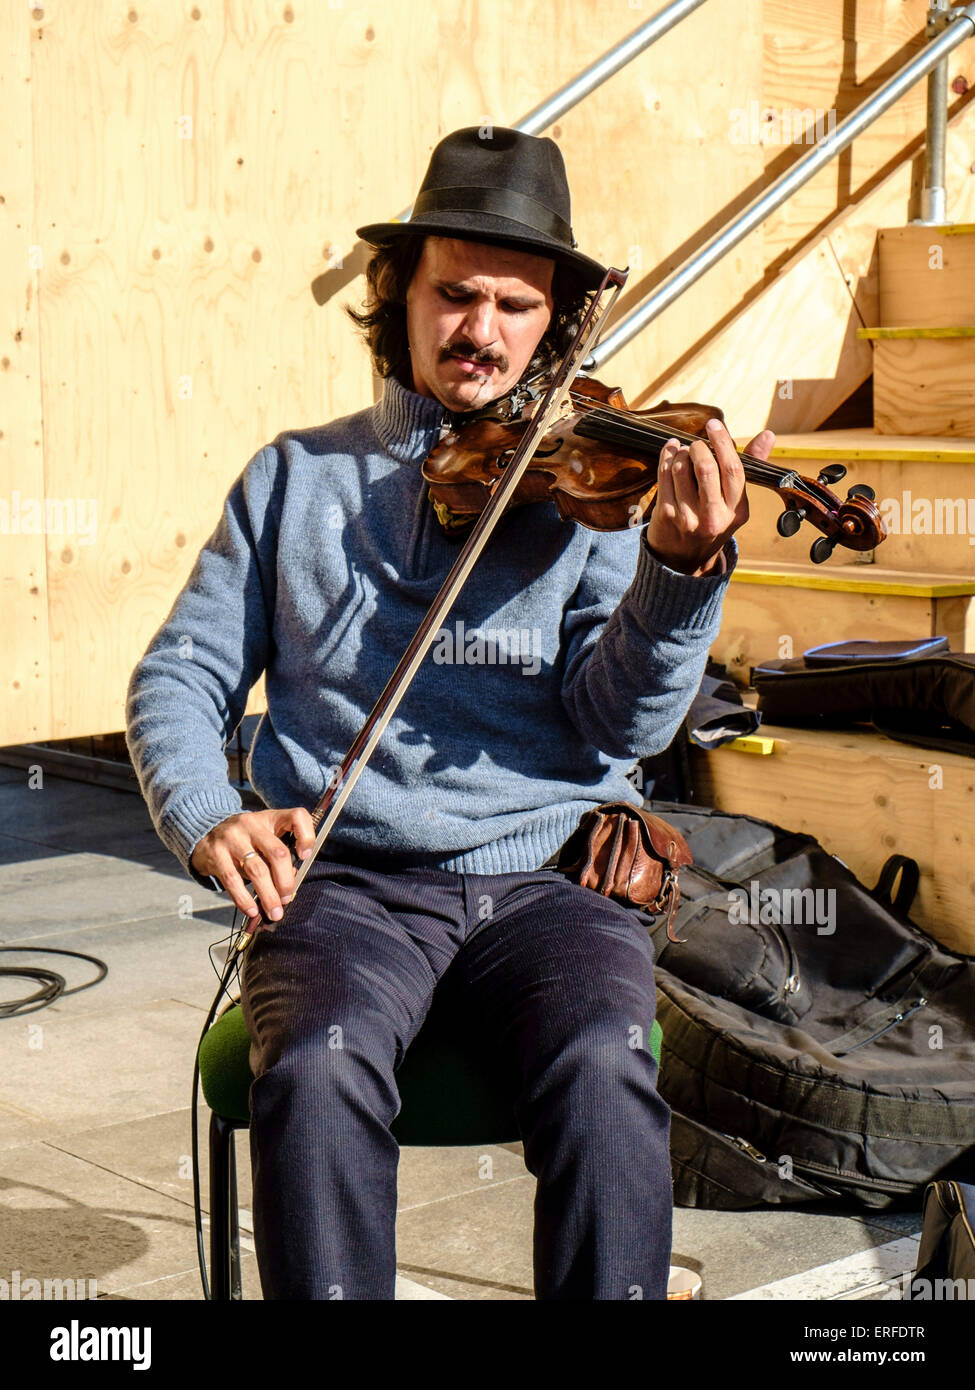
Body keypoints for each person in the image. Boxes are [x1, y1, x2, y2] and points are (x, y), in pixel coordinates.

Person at [125, 126, 773, 1300]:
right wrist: (211, 814)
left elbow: (616, 727)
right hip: (344, 886)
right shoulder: (294, 480)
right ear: (400, 299)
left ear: (557, 325)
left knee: (602, 1064)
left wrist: (678, 579)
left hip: (546, 883)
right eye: (455, 294)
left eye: (517, 305)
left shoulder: (592, 492)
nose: (481, 331)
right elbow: (178, 676)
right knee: (315, 1076)